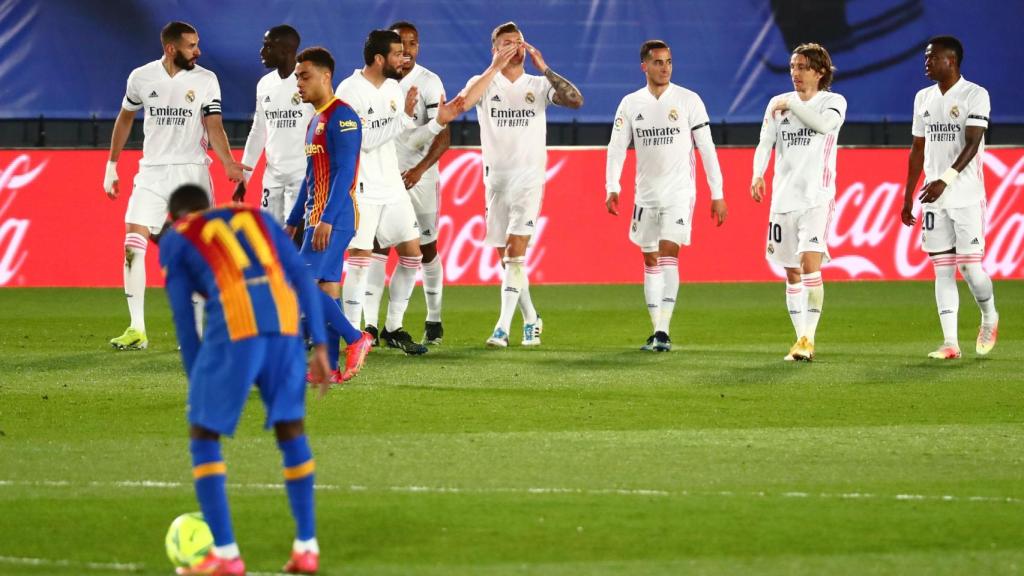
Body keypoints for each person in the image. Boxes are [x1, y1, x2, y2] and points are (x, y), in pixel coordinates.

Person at [159, 184, 330, 575]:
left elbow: (184, 317)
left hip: (236, 323)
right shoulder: (254, 216)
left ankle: (226, 555)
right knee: (291, 430)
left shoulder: (178, 238)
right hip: (285, 322)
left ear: (174, 218)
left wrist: (196, 376)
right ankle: (307, 546)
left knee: (204, 436)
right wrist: (319, 344)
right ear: (209, 205)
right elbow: (301, 280)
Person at [104, 21, 248, 351]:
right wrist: (112, 164)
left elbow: (214, 125)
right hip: (152, 172)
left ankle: (196, 333)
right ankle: (136, 328)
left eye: (197, 44)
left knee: (200, 252)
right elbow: (125, 117)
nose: (198, 51)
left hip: (191, 173)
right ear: (171, 49)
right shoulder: (141, 77)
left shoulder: (206, 80)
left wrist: (227, 161)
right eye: (191, 45)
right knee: (132, 241)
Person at [336, 29, 464, 355]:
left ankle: (393, 327)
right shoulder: (350, 91)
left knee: (413, 254)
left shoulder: (394, 87)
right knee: (361, 258)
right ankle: (354, 336)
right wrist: (404, 117)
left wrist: (435, 123)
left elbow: (402, 131)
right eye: (396, 54)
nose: (403, 59)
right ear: (380, 59)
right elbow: (362, 141)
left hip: (391, 184)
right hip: (363, 187)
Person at [459, 21, 584, 348]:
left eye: (518, 42)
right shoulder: (483, 83)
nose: (513, 48)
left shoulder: (538, 85)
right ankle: (531, 317)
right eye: (505, 43)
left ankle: (501, 328)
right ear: (495, 49)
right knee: (507, 260)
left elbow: (575, 101)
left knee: (515, 256)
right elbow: (464, 104)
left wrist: (546, 68)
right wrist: (493, 67)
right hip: (496, 183)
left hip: (529, 180)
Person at [606, 40, 728, 352]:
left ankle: (663, 330)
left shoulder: (688, 100)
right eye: (658, 62)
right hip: (644, 196)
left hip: (679, 193)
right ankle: (656, 329)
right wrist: (612, 186)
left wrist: (718, 192)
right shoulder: (631, 103)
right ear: (644, 66)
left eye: (669, 62)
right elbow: (617, 147)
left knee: (668, 254)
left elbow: (707, 148)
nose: (665, 68)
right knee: (649, 259)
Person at [900, 36, 998, 359]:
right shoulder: (922, 98)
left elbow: (972, 143)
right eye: (926, 58)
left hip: (966, 194)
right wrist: (908, 195)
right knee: (942, 268)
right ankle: (951, 343)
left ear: (951, 61)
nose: (926, 63)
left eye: (932, 58)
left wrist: (947, 178)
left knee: (970, 269)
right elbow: (917, 148)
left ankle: (989, 316)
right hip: (933, 197)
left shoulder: (975, 95)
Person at [751, 43, 846, 362]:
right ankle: (799, 338)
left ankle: (809, 338)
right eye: (792, 66)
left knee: (809, 265)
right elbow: (765, 141)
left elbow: (823, 126)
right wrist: (757, 174)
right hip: (782, 200)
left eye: (803, 67)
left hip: (816, 198)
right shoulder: (777, 105)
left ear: (820, 72)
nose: (796, 72)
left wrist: (790, 103)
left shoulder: (833, 102)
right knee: (791, 272)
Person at [284, 47, 374, 382]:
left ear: (326, 76)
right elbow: (310, 179)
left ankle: (357, 338)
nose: (299, 84)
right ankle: (330, 368)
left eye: (304, 76)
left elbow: (345, 173)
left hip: (333, 220)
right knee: (326, 292)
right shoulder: (314, 121)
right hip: (315, 220)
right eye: (296, 77)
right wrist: (293, 221)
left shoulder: (343, 117)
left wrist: (327, 219)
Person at [360, 20, 451, 347]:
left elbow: (443, 136)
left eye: (413, 44)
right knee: (376, 249)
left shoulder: (428, 82)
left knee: (425, 249)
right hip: (382, 181)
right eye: (401, 45)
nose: (408, 50)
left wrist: (418, 170)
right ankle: (372, 325)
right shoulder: (376, 84)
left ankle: (434, 318)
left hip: (420, 181)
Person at [233, 25, 314, 225]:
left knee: (296, 237)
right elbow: (258, 131)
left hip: (302, 177)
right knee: (271, 239)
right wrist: (245, 176)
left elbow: (324, 127)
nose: (262, 51)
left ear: (285, 51)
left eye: (268, 46)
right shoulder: (264, 84)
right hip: (273, 177)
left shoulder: (311, 80)